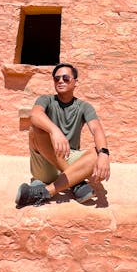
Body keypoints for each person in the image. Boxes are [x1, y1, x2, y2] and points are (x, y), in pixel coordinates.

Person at [15, 63, 110, 208]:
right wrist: (54, 131)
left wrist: (104, 154)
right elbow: (35, 115)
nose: (60, 81)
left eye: (66, 78)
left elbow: (97, 129)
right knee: (36, 128)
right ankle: (75, 182)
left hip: (68, 157)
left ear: (75, 82)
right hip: (46, 163)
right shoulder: (46, 100)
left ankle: (45, 191)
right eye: (56, 78)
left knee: (98, 152)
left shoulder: (84, 107)